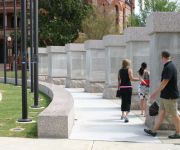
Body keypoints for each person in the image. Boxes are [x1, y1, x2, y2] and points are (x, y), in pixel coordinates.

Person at [144, 51, 180, 139]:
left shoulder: (169, 67)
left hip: (170, 96)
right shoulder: (169, 66)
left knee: (174, 114)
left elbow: (164, 83)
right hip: (165, 96)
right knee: (162, 113)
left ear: (163, 57)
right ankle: (153, 131)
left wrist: (154, 93)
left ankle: (179, 133)